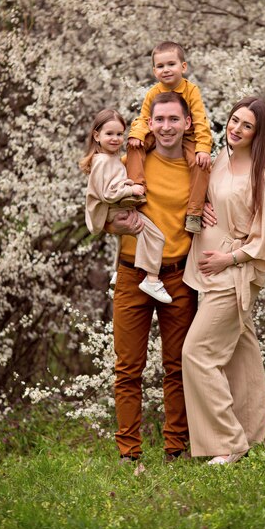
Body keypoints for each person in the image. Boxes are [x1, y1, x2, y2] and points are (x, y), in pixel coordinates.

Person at [182, 97, 265, 465]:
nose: (235, 129)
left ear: (259, 134)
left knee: (197, 353)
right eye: (233, 120)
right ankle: (256, 439)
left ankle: (228, 444)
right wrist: (203, 203)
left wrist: (230, 257)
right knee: (243, 356)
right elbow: (205, 190)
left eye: (246, 126)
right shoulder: (220, 161)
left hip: (232, 275)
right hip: (207, 271)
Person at [106, 92, 198, 470]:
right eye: (158, 119)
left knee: (177, 366)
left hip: (177, 276)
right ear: (149, 122)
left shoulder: (198, 167)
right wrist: (113, 223)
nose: (165, 127)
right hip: (132, 274)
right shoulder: (133, 159)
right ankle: (130, 453)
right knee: (128, 369)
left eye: (173, 119)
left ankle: (176, 449)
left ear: (187, 123)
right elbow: (103, 206)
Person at [80, 108, 172, 303]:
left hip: (117, 208)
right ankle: (152, 279)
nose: (115, 139)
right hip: (115, 208)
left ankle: (116, 274)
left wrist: (126, 184)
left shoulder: (110, 158)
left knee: (124, 240)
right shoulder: (103, 161)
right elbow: (107, 193)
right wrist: (132, 190)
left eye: (120, 134)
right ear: (96, 136)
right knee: (155, 236)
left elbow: (113, 184)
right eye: (109, 134)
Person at [126, 41, 212, 234]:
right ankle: (136, 187)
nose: (166, 70)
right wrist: (138, 134)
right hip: (156, 133)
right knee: (133, 144)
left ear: (183, 67)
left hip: (187, 137)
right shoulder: (153, 93)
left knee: (201, 164)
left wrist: (203, 148)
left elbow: (200, 121)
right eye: (160, 66)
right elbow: (143, 119)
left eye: (171, 64)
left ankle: (194, 212)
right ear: (154, 71)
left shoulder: (191, 91)